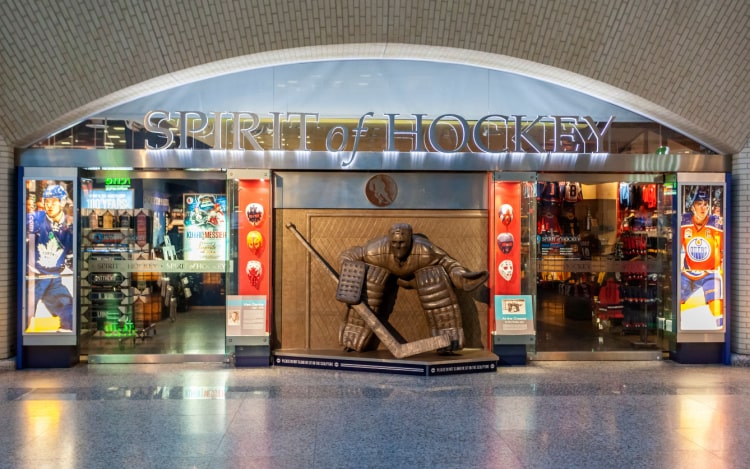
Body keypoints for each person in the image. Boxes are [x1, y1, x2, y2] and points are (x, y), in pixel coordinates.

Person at [337, 223, 488, 353]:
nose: (398, 246)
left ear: (410, 240)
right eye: (394, 243)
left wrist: (462, 277)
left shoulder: (424, 250)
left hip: (417, 278)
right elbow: (348, 256)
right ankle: (353, 341)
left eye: (402, 243)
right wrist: (350, 275)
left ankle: (449, 342)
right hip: (384, 277)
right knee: (371, 276)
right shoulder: (374, 250)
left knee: (434, 277)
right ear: (389, 241)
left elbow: (449, 264)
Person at [27, 184, 74, 332]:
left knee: (69, 315)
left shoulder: (70, 224)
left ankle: (65, 346)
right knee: (23, 318)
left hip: (54, 278)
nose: (49, 205)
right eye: (47, 201)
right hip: (33, 278)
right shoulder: (35, 219)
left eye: (54, 201)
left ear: (62, 202)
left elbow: (72, 252)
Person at [680, 190, 723, 324]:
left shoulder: (715, 223)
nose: (703, 207)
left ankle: (718, 329)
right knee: (675, 303)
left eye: (705, 204)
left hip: (710, 272)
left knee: (716, 309)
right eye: (699, 204)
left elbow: (724, 247)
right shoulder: (684, 222)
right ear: (692, 207)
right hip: (688, 273)